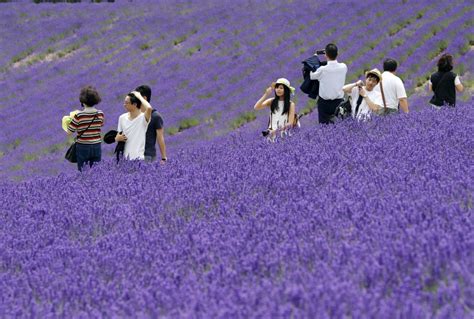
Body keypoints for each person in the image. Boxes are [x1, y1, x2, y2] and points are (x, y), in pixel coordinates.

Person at [66, 86, 105, 171]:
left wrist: (69, 121)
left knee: (83, 172)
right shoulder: (100, 114)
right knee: (96, 171)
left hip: (83, 147)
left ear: (83, 101)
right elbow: (101, 124)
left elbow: (69, 131)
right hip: (96, 146)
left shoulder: (79, 116)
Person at [310, 43, 347, 124]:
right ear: (337, 54)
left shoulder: (322, 69)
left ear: (325, 55)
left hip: (324, 103)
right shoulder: (343, 67)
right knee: (340, 127)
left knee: (324, 127)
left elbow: (311, 76)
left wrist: (314, 57)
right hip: (338, 102)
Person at [115, 91, 152, 160]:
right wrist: (117, 138)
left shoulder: (143, 118)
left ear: (134, 104)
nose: (124, 105)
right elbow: (118, 135)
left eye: (126, 103)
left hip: (138, 158)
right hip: (124, 159)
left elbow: (149, 108)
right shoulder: (122, 118)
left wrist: (139, 97)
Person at [135, 85, 167, 164]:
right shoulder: (135, 114)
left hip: (148, 156)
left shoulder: (155, 116)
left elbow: (160, 138)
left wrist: (163, 158)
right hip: (134, 155)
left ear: (144, 98)